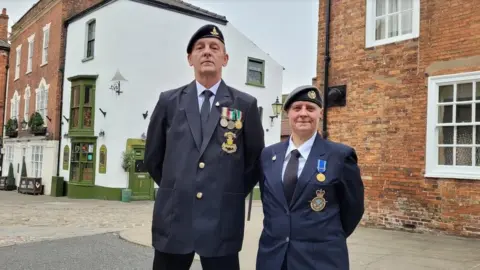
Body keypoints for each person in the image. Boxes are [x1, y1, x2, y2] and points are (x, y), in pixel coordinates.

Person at [144, 24, 265, 270]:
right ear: (190, 59)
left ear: (225, 58)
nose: (207, 52)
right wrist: (179, 186)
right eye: (200, 48)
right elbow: (153, 157)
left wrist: (226, 192)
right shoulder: (169, 101)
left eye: (214, 47)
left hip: (222, 219)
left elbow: (254, 161)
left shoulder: (245, 104)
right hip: (174, 218)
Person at [256, 85, 364, 270]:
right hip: (273, 257)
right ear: (287, 113)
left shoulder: (340, 156)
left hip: (320, 259)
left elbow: (353, 208)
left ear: (320, 114)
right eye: (297, 108)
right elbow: (271, 203)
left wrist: (326, 237)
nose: (303, 113)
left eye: (310, 108)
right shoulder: (268, 155)